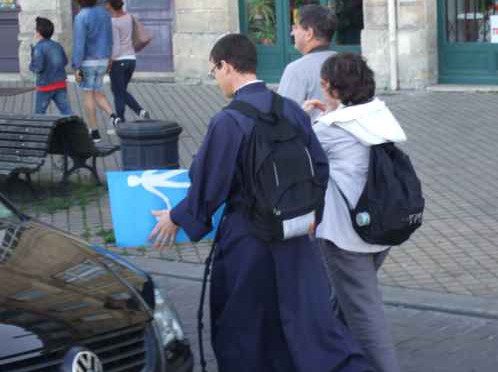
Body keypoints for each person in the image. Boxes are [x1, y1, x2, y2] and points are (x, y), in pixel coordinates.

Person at [149, 34, 373, 372]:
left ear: (226, 65)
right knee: (307, 322)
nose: (216, 80)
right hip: (296, 236)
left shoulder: (229, 120)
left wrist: (178, 217)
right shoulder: (290, 109)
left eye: (214, 71)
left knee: (246, 323)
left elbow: (209, 183)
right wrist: (312, 215)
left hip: (249, 239)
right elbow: (319, 167)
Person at [307, 53, 405, 372]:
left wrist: (305, 116)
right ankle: (331, 357)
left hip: (345, 236)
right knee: (346, 300)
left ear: (327, 85)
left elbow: (300, 156)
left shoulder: (327, 128)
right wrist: (334, 111)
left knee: (365, 312)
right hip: (383, 226)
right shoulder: (378, 113)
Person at [278, 4, 336, 121]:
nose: (292, 33)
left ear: (309, 33)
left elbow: (283, 118)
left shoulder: (296, 69)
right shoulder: (350, 64)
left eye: (295, 27)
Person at [72, 0, 119, 142]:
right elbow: (110, 39)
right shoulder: (104, 14)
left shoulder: (81, 16)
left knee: (88, 95)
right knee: (97, 91)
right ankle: (113, 116)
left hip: (88, 61)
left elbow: (79, 44)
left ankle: (94, 132)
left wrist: (76, 66)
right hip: (103, 59)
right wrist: (109, 57)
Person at [105, 0, 150, 124]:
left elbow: (116, 46)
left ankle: (125, 120)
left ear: (110, 5)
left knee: (118, 92)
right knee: (120, 91)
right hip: (131, 60)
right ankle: (136, 113)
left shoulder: (113, 22)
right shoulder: (129, 17)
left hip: (119, 61)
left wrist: (110, 62)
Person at [29, 17, 72, 116]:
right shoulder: (57, 45)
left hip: (45, 86)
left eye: (35, 30)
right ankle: (74, 129)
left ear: (38, 32)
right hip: (60, 83)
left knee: (39, 114)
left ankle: (39, 131)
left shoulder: (38, 48)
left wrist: (31, 64)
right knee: (66, 111)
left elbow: (37, 68)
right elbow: (64, 61)